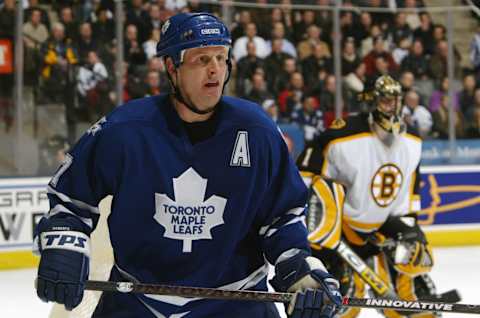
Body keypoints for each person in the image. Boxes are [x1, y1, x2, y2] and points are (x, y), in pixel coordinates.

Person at [33, 13, 341, 318]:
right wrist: (65, 241)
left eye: (221, 58)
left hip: (237, 302)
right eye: (201, 59)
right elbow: (70, 199)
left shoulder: (257, 130)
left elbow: (282, 216)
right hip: (138, 302)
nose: (215, 70)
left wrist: (299, 267)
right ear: (171, 67)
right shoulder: (125, 129)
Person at [297, 75, 438, 318]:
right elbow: (306, 178)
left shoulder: (413, 140)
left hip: (382, 228)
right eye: (385, 101)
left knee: (408, 296)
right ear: (371, 102)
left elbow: (411, 189)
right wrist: (319, 228)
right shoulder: (341, 136)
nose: (392, 108)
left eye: (396, 101)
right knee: (345, 302)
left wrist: (411, 227)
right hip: (343, 232)